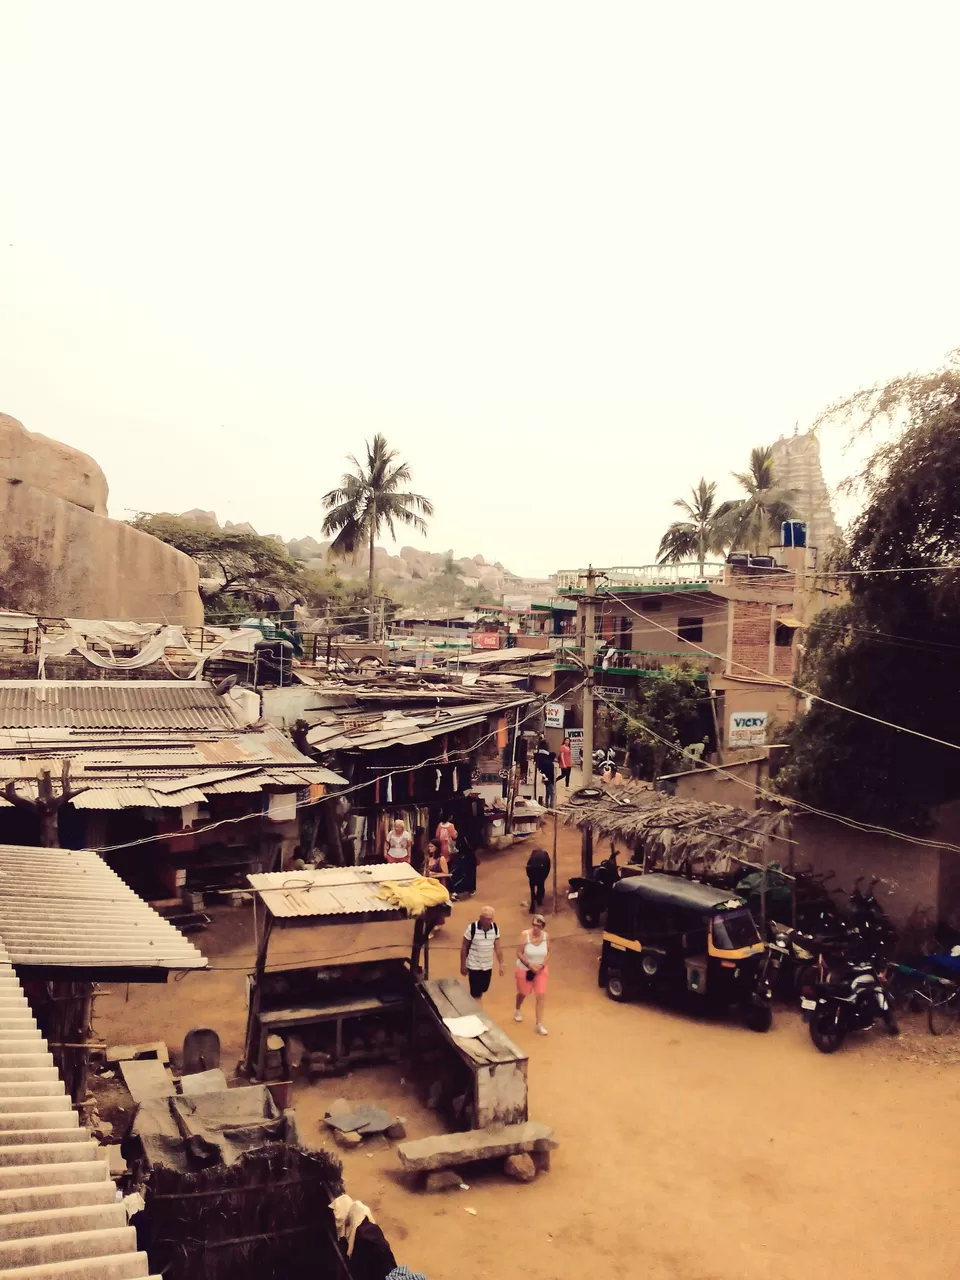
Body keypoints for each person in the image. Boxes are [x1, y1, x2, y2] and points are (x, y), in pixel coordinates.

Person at [514, 914, 549, 1035]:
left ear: (542, 927)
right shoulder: (525, 935)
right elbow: (519, 952)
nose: (535, 928)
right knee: (523, 993)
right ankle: (517, 1008)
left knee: (540, 995)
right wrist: (529, 965)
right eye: (533, 925)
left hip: (540, 970)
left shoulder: (546, 937)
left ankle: (539, 1024)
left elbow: (549, 952)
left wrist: (542, 965)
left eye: (538, 926)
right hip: (525, 969)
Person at [460, 905, 504, 1002]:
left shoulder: (495, 928)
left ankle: (474, 1005)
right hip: (474, 965)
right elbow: (464, 947)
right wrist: (463, 965)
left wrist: (501, 963)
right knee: (476, 994)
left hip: (487, 965)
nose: (488, 921)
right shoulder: (472, 928)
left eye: (490, 919)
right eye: (486, 919)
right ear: (480, 918)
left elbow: (498, 947)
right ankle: (478, 1012)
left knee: (483, 989)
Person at [525, 846, 551, 913]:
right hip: (540, 872)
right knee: (540, 885)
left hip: (536, 873)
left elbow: (528, 871)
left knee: (535, 887)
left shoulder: (530, 867)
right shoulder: (543, 860)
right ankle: (538, 901)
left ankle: (533, 905)